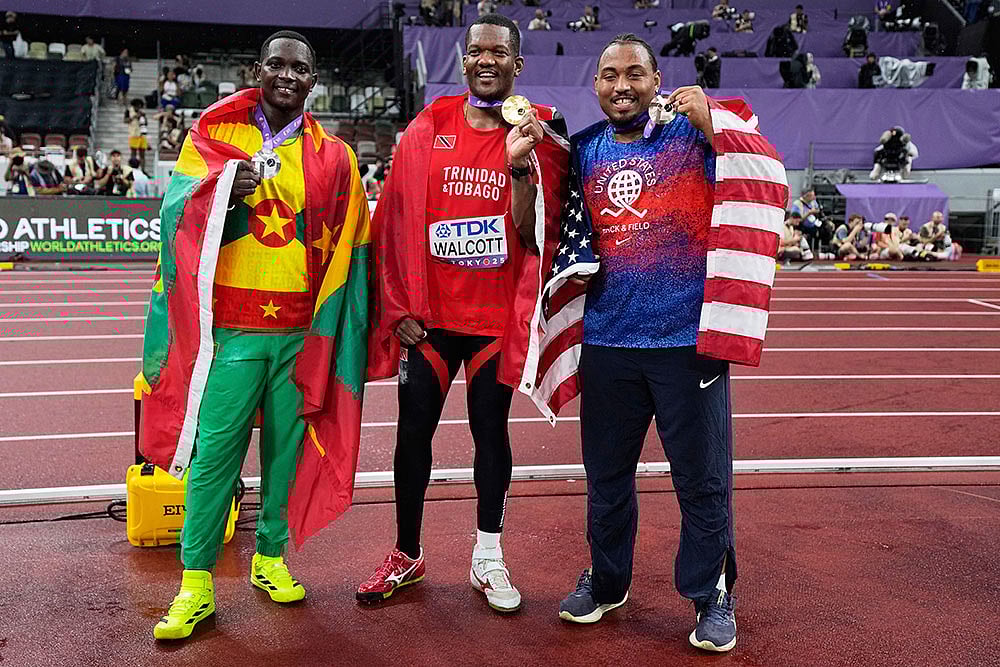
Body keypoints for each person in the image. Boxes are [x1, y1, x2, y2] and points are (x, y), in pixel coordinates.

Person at [551, 33, 786, 654]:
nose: (621, 85)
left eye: (634, 73)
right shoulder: (584, 151)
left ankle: (711, 595)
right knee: (605, 478)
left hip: (687, 344)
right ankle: (606, 581)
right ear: (595, 84)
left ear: (658, 81)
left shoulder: (692, 137)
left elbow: (759, 165)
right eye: (609, 75)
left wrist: (711, 116)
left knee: (702, 480)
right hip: (607, 341)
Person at [144, 29, 371, 641]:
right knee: (214, 458)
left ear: (313, 81)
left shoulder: (336, 156)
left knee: (284, 457)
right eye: (278, 66)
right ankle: (195, 583)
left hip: (299, 334)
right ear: (257, 70)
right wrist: (222, 195)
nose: (289, 77)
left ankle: (270, 558)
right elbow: (171, 214)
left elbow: (352, 246)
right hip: (232, 335)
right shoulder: (213, 137)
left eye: (301, 69)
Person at [360, 13, 569, 614]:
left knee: (490, 437)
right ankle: (407, 552)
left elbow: (537, 237)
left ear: (516, 64)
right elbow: (395, 221)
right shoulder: (428, 127)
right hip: (428, 322)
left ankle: (489, 554)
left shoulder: (539, 135)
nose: (485, 61)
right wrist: (396, 308)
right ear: (463, 60)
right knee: (411, 438)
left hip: (491, 322)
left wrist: (518, 165)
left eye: (498, 53)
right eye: (476, 51)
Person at [125, 99, 149, 167]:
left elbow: (146, 123)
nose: (138, 108)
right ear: (134, 106)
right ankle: (132, 168)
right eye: (137, 106)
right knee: (133, 153)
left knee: (142, 154)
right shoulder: (129, 111)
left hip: (142, 135)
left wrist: (143, 116)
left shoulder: (141, 113)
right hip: (133, 134)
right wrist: (134, 117)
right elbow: (125, 120)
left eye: (140, 106)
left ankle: (143, 170)